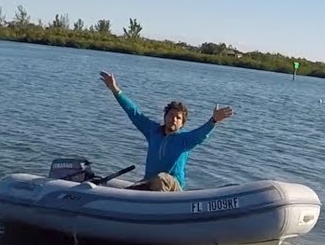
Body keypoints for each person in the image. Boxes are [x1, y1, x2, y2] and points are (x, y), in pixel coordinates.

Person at [99, 71, 234, 191]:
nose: (174, 119)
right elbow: (134, 113)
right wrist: (116, 90)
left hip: (173, 189)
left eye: (178, 118)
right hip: (150, 184)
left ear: (182, 123)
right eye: (171, 115)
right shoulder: (153, 132)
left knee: (161, 178)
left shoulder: (185, 140)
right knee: (141, 185)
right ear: (165, 117)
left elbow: (201, 133)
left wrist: (213, 120)